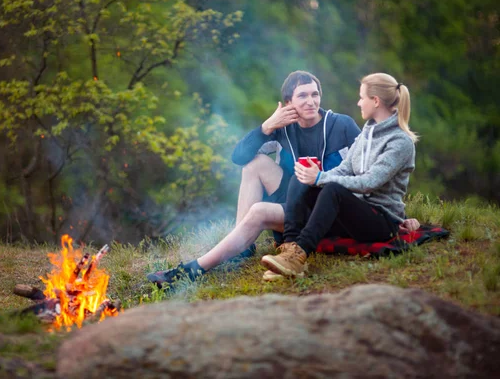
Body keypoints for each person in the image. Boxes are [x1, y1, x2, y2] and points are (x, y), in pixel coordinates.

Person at [147, 71, 360, 287]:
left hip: (325, 209)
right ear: (288, 103)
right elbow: (238, 157)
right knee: (254, 163)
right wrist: (266, 127)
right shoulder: (283, 129)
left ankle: (192, 270)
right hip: (293, 205)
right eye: (302, 96)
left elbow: (364, 171)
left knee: (258, 211)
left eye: (315, 95)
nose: (311, 101)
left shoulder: (341, 125)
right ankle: (243, 246)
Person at [260, 73, 421, 278]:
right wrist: (313, 177)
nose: (359, 102)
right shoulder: (367, 134)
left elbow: (369, 183)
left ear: (376, 101)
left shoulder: (400, 142)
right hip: (354, 215)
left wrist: (320, 178)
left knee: (333, 189)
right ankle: (289, 249)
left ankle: (299, 256)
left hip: (381, 221)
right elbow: (344, 169)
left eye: (362, 97)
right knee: (300, 178)